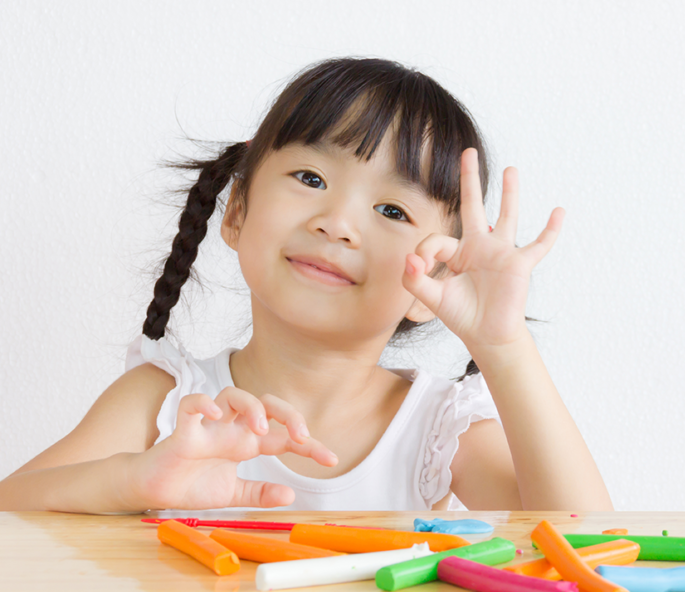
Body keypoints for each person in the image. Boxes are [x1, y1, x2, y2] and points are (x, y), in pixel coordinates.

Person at [0, 57, 613, 514]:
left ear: (440, 279)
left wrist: (503, 348)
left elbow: (597, 551)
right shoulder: (165, 404)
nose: (338, 223)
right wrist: (133, 480)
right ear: (235, 213)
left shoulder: (436, 430)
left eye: (393, 211)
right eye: (311, 177)